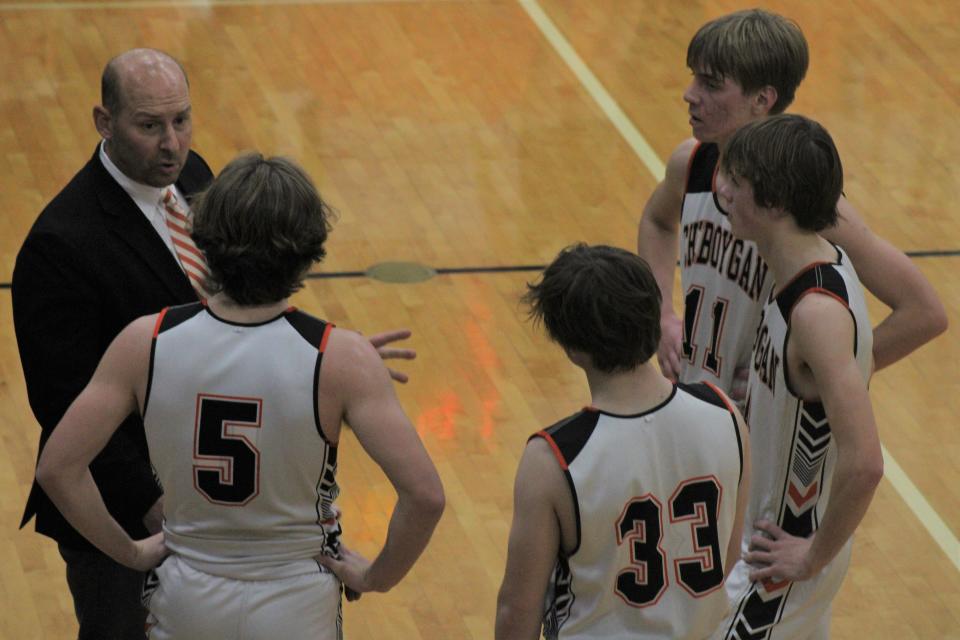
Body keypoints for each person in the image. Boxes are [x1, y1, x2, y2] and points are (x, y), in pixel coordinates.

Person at [12, 48, 415, 639]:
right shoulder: (60, 245)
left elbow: (238, 305)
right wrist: (160, 522)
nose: (172, 143)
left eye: (181, 119)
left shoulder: (196, 176)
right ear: (104, 122)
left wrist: (318, 364)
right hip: (121, 524)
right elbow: (63, 407)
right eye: (149, 126)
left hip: (207, 512)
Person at [636, 9, 946, 399]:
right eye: (693, 76)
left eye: (711, 83)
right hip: (698, 411)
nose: (690, 93)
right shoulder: (692, 162)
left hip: (760, 439)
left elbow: (923, 312)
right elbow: (656, 222)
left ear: (762, 99)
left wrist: (824, 381)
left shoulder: (802, 202)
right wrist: (663, 316)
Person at [495, 244, 751, 640]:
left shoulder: (553, 458)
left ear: (571, 348)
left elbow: (518, 608)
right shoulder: (726, 414)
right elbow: (728, 555)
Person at [713, 114, 883, 638]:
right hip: (773, 547)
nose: (723, 190)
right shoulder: (806, 263)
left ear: (776, 204)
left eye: (737, 183)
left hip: (779, 563)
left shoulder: (816, 313)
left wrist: (812, 555)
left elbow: (866, 463)